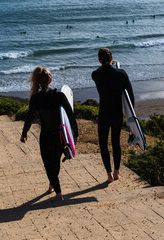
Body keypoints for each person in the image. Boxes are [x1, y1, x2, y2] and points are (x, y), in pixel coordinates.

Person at [20, 66, 78, 201]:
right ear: (50, 80)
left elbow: (29, 117)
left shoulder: (36, 98)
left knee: (48, 165)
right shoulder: (59, 96)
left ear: (38, 82)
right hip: (60, 135)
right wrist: (75, 132)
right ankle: (53, 185)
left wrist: (24, 133)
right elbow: (70, 115)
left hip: (46, 135)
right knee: (56, 162)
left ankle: (58, 193)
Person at [91, 48, 134, 183]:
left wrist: (107, 64)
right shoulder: (121, 74)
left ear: (99, 60)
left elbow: (101, 71)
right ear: (112, 58)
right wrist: (130, 117)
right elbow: (130, 97)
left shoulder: (95, 75)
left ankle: (109, 174)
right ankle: (116, 172)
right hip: (116, 113)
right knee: (116, 143)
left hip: (103, 113)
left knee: (103, 144)